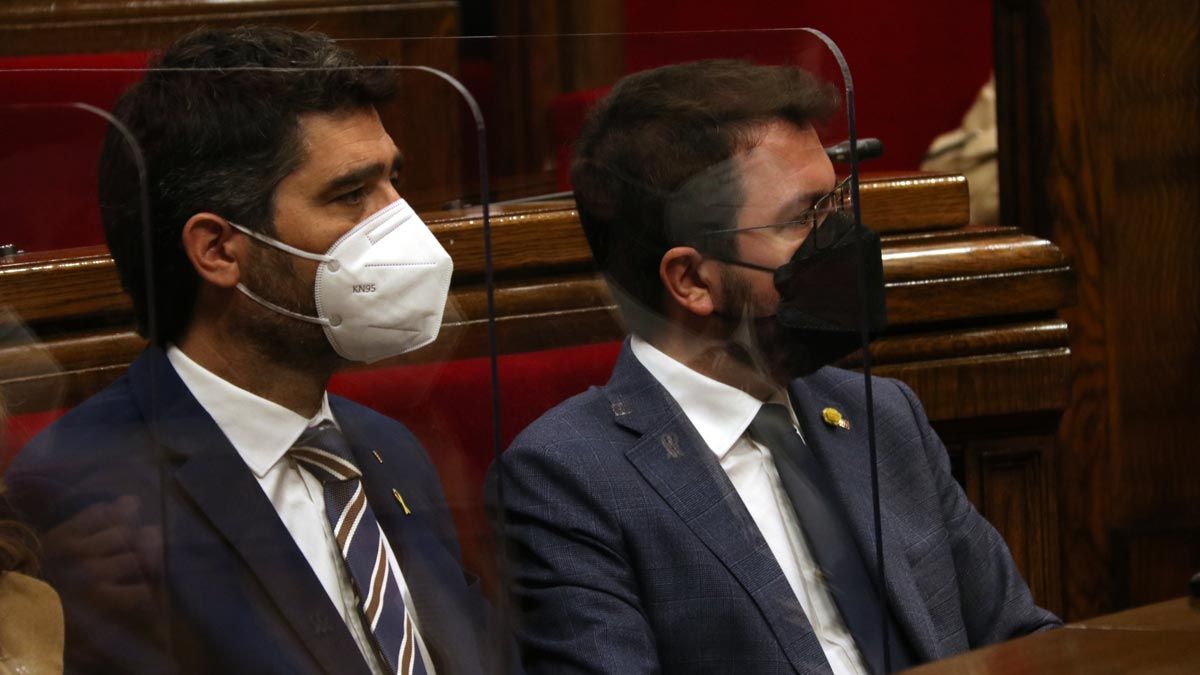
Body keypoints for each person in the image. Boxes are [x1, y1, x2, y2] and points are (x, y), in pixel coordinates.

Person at [491, 60, 1060, 674]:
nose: (841, 236)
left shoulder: (883, 415)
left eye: (836, 201)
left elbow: (1021, 640)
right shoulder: (569, 479)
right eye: (802, 218)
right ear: (691, 280)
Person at [6, 26, 506, 675]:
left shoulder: (390, 450)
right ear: (218, 250)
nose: (402, 225)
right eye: (352, 194)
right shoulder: (91, 488)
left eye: (394, 182)